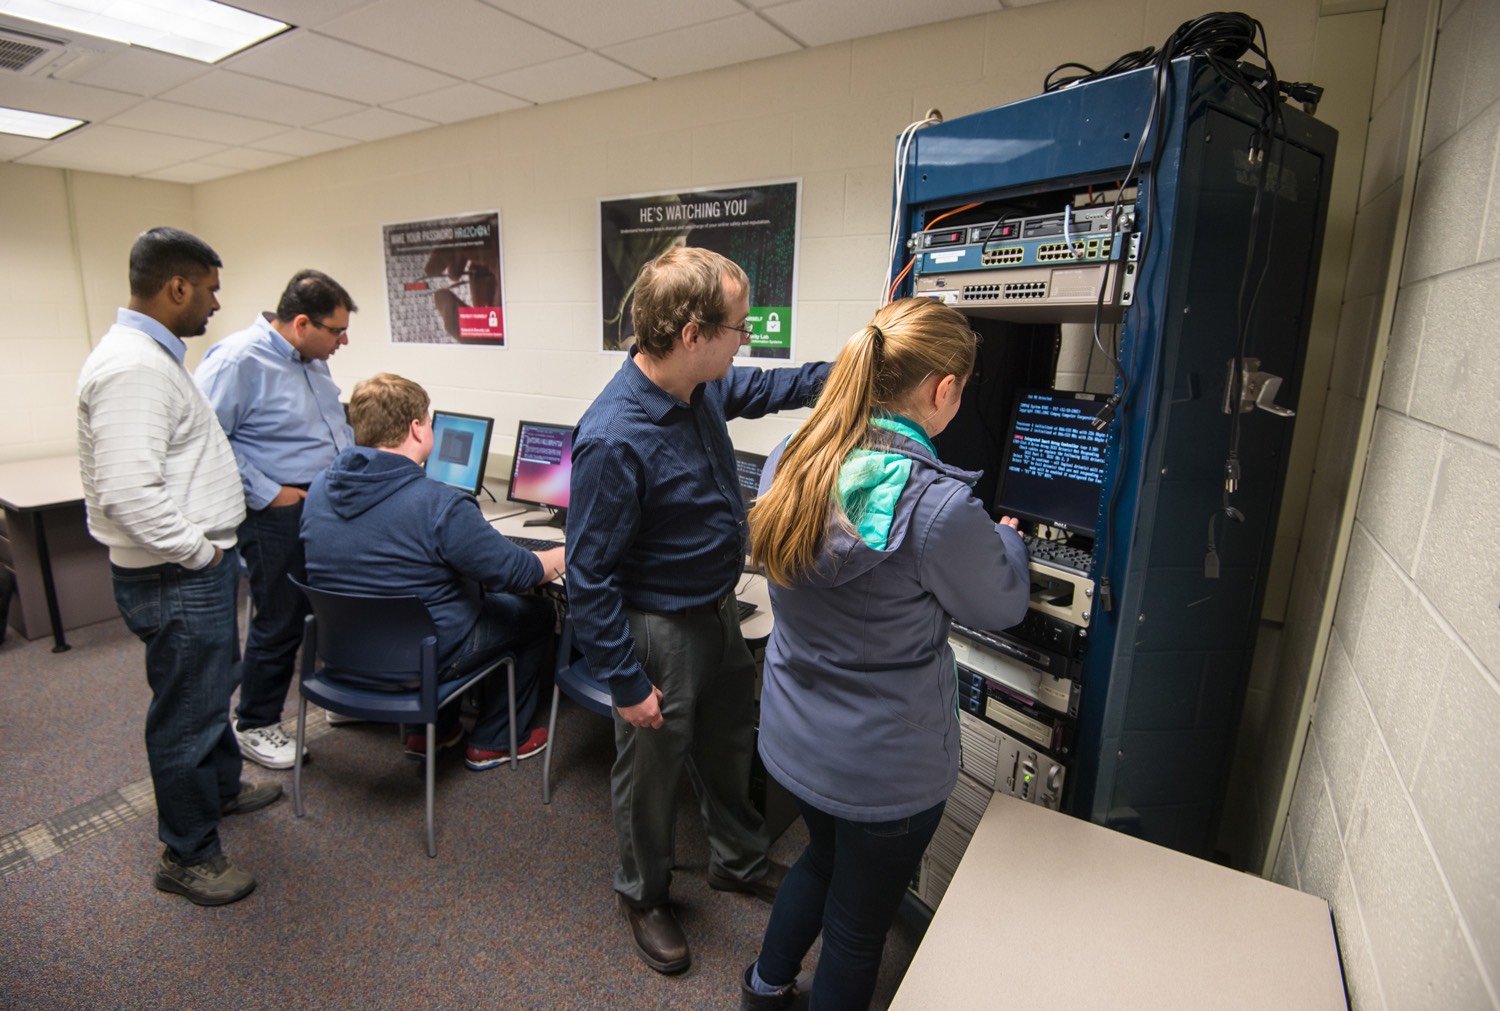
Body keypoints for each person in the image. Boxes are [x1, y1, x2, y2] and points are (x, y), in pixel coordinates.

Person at [739, 298, 1032, 1010]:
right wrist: (1011, 540)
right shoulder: (938, 509)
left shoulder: (793, 456)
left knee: (821, 855)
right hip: (884, 770)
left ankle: (764, 986)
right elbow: (1002, 604)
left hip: (797, 739)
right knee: (857, 928)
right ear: (942, 390)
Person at [566, 247, 832, 975]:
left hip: (719, 612)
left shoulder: (699, 387)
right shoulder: (614, 436)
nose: (744, 337)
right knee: (650, 774)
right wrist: (624, 682)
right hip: (658, 632)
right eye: (739, 326)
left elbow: (769, 386)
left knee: (727, 748)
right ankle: (644, 894)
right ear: (692, 333)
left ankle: (738, 862)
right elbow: (587, 577)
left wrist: (845, 374)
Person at [77, 227, 282, 907]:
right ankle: (188, 854)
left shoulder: (152, 358)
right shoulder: (134, 367)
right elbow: (128, 492)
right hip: (177, 571)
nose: (216, 304)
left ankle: (219, 789)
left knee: (208, 688)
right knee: (186, 713)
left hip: (192, 567)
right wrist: (200, 551)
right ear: (176, 287)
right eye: (211, 289)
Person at [300, 373, 563, 768]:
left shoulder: (319, 487)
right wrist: (568, 551)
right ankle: (496, 739)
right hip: (423, 656)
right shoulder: (439, 504)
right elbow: (519, 573)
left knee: (439, 596)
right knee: (537, 613)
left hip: (343, 653)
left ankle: (435, 730)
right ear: (417, 427)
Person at [195, 270, 358, 769]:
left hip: (324, 503)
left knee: (336, 603)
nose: (343, 341)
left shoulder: (312, 359)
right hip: (276, 513)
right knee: (281, 616)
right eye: (336, 330)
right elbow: (207, 439)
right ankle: (257, 722)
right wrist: (269, 493)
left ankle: (341, 697)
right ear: (302, 323)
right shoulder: (239, 360)